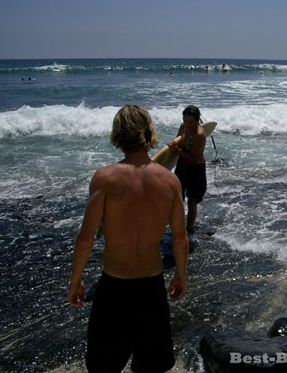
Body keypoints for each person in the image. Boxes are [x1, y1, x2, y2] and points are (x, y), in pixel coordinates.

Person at [67, 105, 188, 373]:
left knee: (104, 365)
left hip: (114, 286)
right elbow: (179, 237)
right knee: (151, 365)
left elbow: (86, 237)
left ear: (118, 134)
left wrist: (75, 280)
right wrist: (180, 275)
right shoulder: (169, 181)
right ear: (149, 133)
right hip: (152, 285)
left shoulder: (105, 178)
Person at [167, 105, 207, 234]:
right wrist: (173, 144)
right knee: (178, 198)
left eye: (191, 122)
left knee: (192, 201)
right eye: (185, 121)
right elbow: (178, 141)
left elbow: (192, 157)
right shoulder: (183, 127)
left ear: (197, 120)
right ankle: (177, 226)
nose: (187, 124)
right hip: (182, 166)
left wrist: (176, 150)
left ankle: (189, 228)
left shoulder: (199, 134)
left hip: (196, 168)